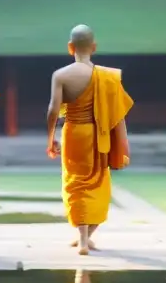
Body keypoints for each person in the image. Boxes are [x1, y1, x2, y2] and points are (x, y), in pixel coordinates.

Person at [46, 24, 134, 254]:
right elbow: (118, 115)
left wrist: (50, 138)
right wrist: (124, 146)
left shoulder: (61, 75)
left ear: (70, 47)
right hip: (98, 137)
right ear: (93, 47)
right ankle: (86, 238)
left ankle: (83, 238)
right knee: (97, 185)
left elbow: (53, 111)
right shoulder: (108, 77)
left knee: (75, 184)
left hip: (73, 133)